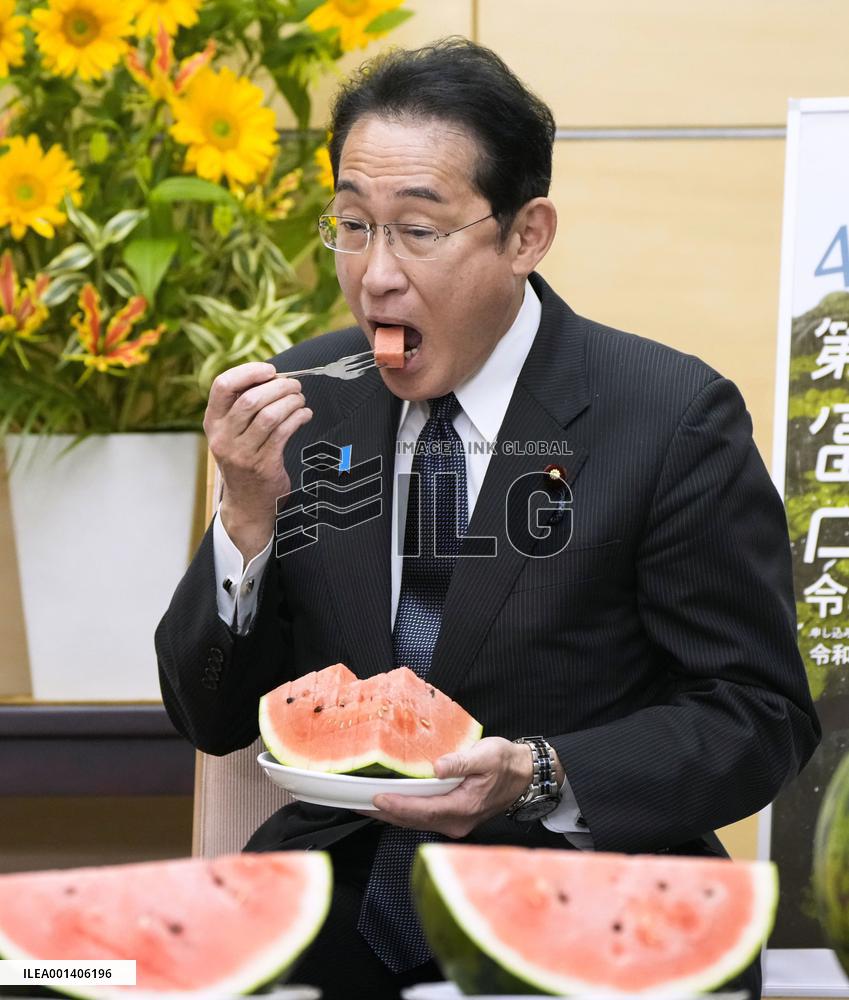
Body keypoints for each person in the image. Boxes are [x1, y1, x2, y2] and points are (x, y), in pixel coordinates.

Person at [156, 38, 820, 1000]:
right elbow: (209, 715)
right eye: (351, 224)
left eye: (417, 231)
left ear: (525, 233)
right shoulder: (305, 400)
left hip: (593, 904)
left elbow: (757, 714)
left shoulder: (667, 415)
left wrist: (544, 772)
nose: (375, 274)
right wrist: (244, 523)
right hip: (334, 903)